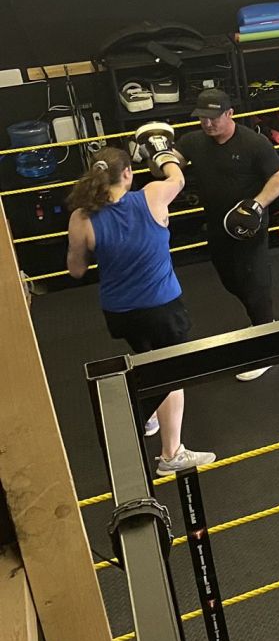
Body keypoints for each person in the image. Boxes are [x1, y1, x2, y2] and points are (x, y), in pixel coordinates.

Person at [66, 132, 215, 472]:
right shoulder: (152, 195)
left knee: (146, 357)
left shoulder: (81, 218)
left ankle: (150, 417)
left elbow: (76, 270)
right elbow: (178, 178)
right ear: (128, 173)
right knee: (171, 372)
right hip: (162, 309)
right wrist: (162, 152)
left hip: (120, 313)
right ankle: (171, 454)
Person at [176, 89, 279, 379]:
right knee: (231, 279)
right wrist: (159, 154)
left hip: (248, 225)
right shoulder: (193, 142)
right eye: (202, 118)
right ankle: (261, 323)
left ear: (229, 113)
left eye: (213, 117)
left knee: (254, 280)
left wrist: (256, 205)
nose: (207, 123)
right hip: (217, 225)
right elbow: (171, 165)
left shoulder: (254, 143)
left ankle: (267, 342)